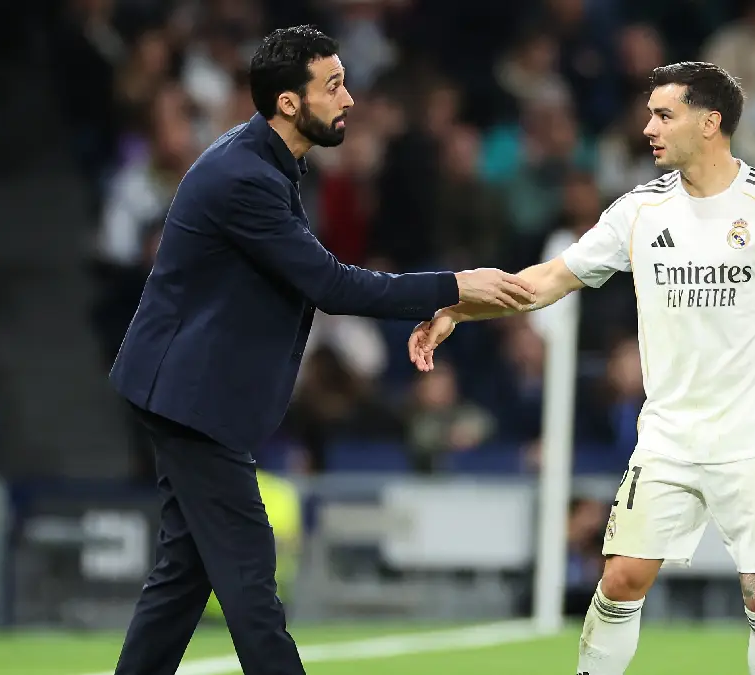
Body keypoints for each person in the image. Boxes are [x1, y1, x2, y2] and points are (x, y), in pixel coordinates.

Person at [409, 61, 755, 675]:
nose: (647, 126)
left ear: (711, 123)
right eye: (649, 113)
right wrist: (458, 312)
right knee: (620, 578)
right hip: (669, 435)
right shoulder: (638, 211)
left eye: (663, 115)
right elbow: (548, 280)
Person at [108, 25, 535, 675]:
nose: (350, 99)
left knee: (183, 578)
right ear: (287, 102)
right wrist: (455, 285)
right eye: (332, 85)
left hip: (193, 392)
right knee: (250, 584)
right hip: (193, 398)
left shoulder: (266, 162)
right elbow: (331, 284)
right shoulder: (245, 176)